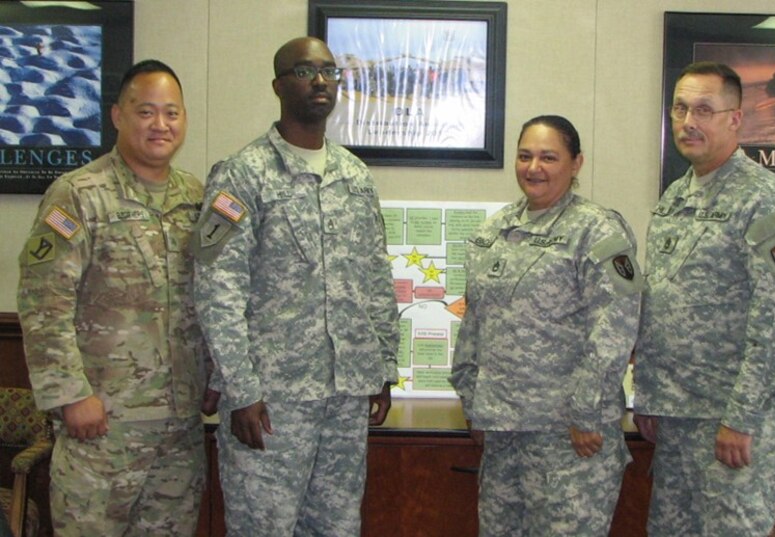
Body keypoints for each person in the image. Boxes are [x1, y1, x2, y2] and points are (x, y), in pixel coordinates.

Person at [192, 36, 399, 536]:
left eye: (330, 72)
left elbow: (375, 277)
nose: (321, 82)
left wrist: (384, 367)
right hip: (271, 402)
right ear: (279, 86)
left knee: (337, 527)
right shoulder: (240, 176)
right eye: (305, 72)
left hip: (345, 397)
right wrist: (241, 390)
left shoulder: (355, 176)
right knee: (264, 527)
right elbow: (216, 286)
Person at [16, 60, 208, 536]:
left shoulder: (197, 197)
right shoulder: (78, 195)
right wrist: (70, 394)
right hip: (102, 427)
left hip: (179, 430)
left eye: (172, 113)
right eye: (146, 112)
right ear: (118, 116)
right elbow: (44, 299)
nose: (160, 125)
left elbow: (215, 296)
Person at [634, 61, 775, 536]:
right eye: (681, 108)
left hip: (731, 423)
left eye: (705, 110)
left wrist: (742, 418)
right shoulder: (675, 197)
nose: (689, 121)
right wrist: (648, 394)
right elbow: (662, 301)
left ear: (735, 119)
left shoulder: (764, 199)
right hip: (676, 417)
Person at [449, 115, 642, 536]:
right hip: (503, 434)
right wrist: (472, 401)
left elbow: (618, 322)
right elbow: (475, 322)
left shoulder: (598, 230)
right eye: (525, 156)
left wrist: (587, 411)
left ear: (576, 164)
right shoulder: (493, 230)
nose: (534, 167)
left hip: (568, 436)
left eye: (549, 157)